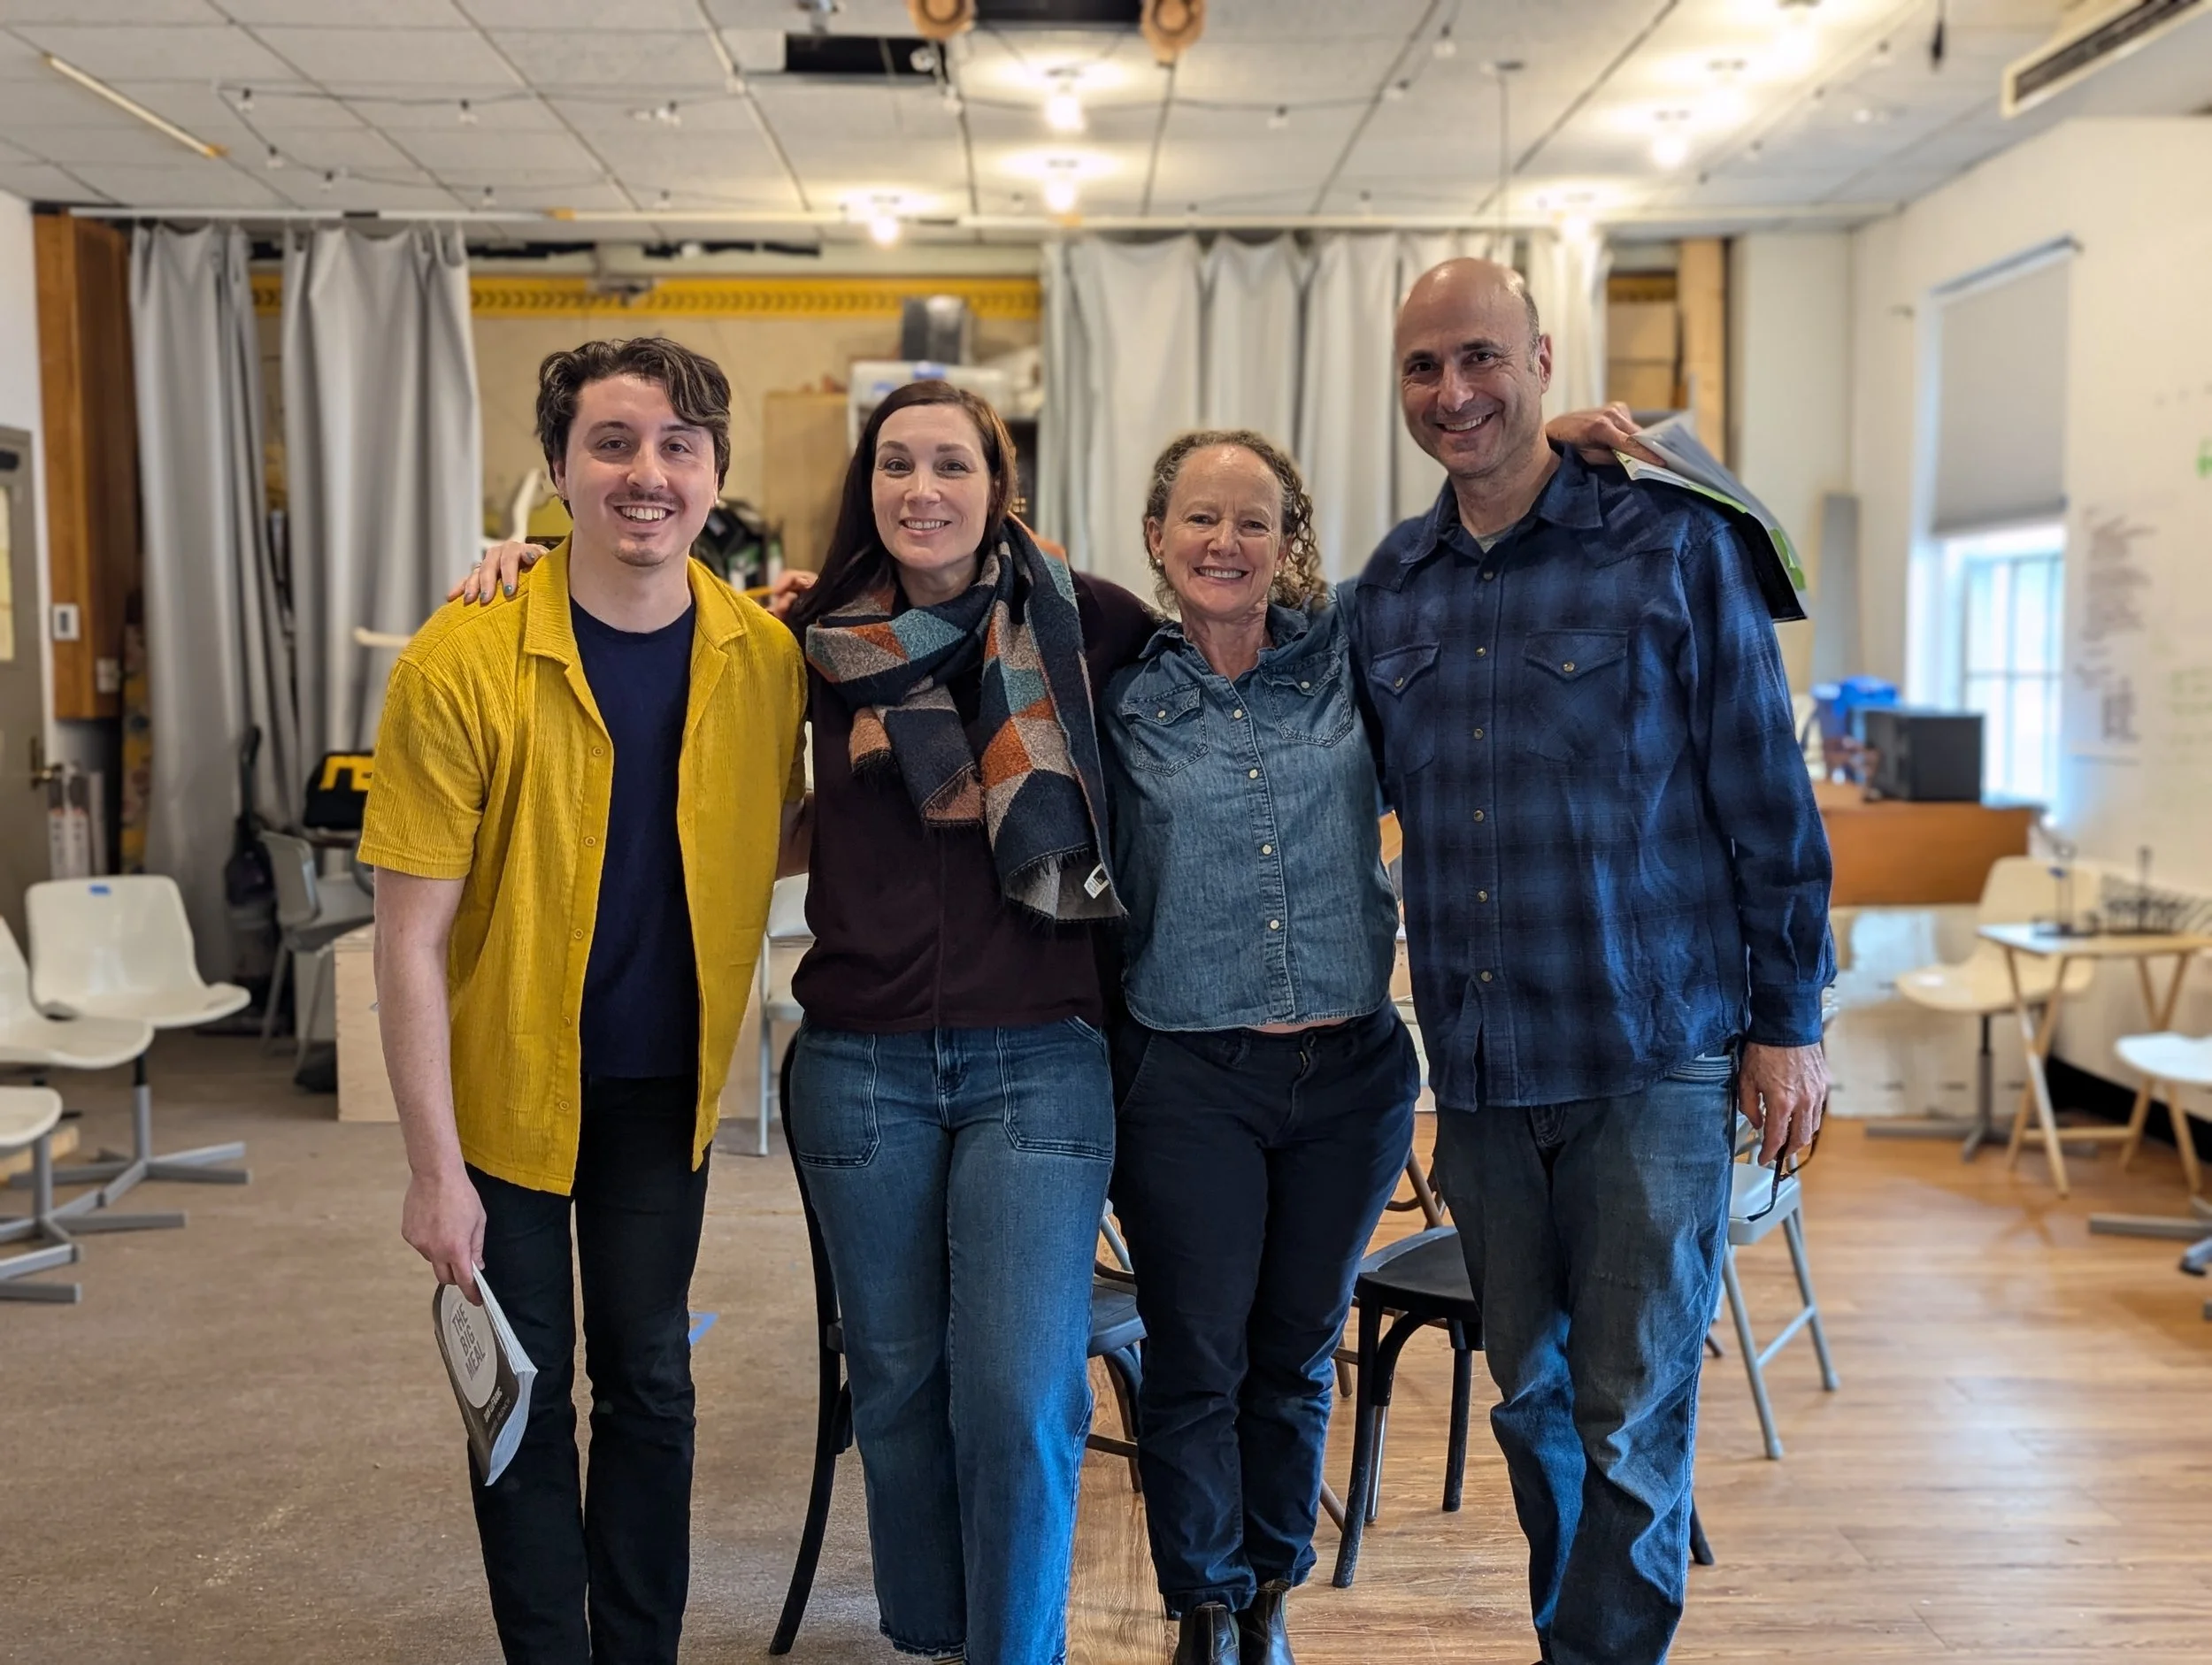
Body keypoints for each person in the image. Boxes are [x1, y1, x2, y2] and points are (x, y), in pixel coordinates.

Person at [1344, 257, 1835, 1665]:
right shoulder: (1392, 589)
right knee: (1534, 1398)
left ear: (1544, 360)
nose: (1455, 392)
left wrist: (1788, 1021)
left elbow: (1767, 797)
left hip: (1652, 1055)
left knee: (1631, 1408)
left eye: (1482, 357)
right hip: (1486, 1071)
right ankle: (1584, 1638)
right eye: (1425, 366)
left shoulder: (1670, 543)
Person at [362, 336, 808, 1665]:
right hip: (506, 1095)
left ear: (716, 475)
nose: (646, 472)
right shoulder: (462, 657)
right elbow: (406, 940)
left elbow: (764, 829)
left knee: (653, 1382)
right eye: (611, 442)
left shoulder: (765, 658)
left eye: (678, 445)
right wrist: (432, 1170)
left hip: (664, 1092)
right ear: (557, 469)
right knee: (521, 1399)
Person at [781, 379, 1156, 1665]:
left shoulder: (1087, 622)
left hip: (1039, 1056)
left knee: (1016, 1389)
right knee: (897, 1385)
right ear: (866, 486)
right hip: (858, 1064)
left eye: (952, 463)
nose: (922, 488)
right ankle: (936, 1636)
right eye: (896, 464)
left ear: (1000, 485)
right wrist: (524, 562)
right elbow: (648, 609)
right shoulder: (809, 641)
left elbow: (1252, 630)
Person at [1099, 429, 1417, 1665]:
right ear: (1157, 536)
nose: (1224, 542)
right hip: (1189, 1078)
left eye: (1252, 521)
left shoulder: (1350, 655)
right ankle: (1205, 1605)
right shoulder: (1120, 691)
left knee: (1295, 1350)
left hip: (1353, 1077)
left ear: (1288, 542)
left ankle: (1270, 1593)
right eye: (1200, 517)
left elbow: (1461, 547)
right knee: (1197, 1356)